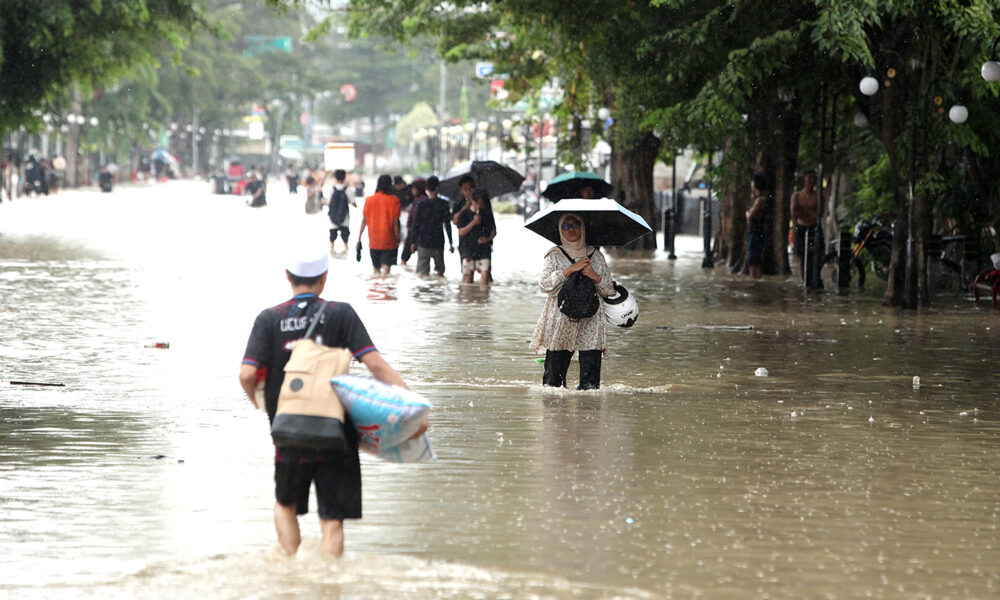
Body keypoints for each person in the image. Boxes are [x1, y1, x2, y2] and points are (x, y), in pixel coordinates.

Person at [238, 247, 423, 557]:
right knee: (332, 520)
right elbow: (376, 365)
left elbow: (246, 373)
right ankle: (327, 578)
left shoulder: (269, 318)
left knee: (285, 505)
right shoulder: (341, 313)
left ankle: (292, 572)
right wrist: (414, 407)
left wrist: (262, 404)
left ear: (288, 277)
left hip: (288, 431)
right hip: (336, 433)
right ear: (324, 278)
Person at [529, 213, 615, 390]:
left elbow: (608, 290)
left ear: (583, 228)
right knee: (552, 384)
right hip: (561, 319)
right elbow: (545, 285)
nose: (571, 229)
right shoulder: (553, 255)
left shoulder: (596, 256)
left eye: (576, 224)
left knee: (590, 386)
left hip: (591, 320)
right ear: (560, 229)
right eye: (565, 226)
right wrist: (569, 270)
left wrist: (594, 275)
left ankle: (588, 409)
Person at [357, 174, 402, 277]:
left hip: (374, 241)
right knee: (386, 272)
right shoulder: (394, 200)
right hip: (389, 241)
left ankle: (376, 286)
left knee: (376, 271)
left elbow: (364, 221)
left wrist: (359, 239)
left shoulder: (369, 200)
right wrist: (398, 238)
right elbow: (396, 222)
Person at [409, 175, 454, 276]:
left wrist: (413, 242)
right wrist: (451, 242)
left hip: (423, 241)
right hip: (438, 241)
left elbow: (416, 224)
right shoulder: (444, 204)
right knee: (440, 272)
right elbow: (447, 225)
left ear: (426, 188)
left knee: (422, 273)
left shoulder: (421, 204)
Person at [455, 189, 496, 287]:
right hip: (468, 250)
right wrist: (473, 222)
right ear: (472, 201)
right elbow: (461, 232)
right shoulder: (464, 214)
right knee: (468, 279)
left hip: (484, 250)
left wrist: (487, 239)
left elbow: (494, 231)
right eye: (477, 203)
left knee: (484, 277)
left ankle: (484, 295)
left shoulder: (487, 213)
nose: (479, 206)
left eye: (481, 204)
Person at [790, 169, 820, 279]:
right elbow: (794, 212)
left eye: (813, 178)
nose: (811, 181)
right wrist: (808, 214)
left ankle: (815, 277)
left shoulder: (818, 196)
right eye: (809, 178)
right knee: (802, 256)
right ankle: (804, 278)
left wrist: (808, 214)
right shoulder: (797, 196)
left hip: (814, 228)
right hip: (802, 228)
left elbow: (819, 213)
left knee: (816, 254)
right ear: (804, 179)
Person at [326, 169, 356, 254]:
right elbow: (353, 203)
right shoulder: (347, 189)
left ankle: (331, 248)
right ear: (344, 178)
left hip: (333, 217)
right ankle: (346, 249)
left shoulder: (332, 189)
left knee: (332, 235)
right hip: (344, 217)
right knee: (345, 235)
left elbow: (328, 202)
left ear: (335, 178)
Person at [745, 172, 769, 279]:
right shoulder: (757, 199)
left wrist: (747, 213)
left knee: (753, 260)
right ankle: (756, 280)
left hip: (756, 232)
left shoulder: (760, 200)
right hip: (755, 231)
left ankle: (754, 279)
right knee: (755, 259)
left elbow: (750, 216)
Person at [400, 177, 428, 266]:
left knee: (405, 257)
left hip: (415, 231)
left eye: (414, 188)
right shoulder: (423, 199)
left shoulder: (419, 200)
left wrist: (410, 227)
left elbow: (414, 217)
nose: (412, 190)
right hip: (422, 233)